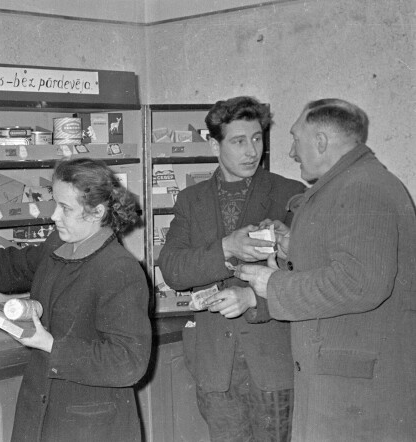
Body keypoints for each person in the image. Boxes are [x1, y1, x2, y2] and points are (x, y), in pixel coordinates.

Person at [0, 157, 152, 442]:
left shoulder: (119, 269)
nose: (54, 216)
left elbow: (128, 363)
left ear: (97, 212)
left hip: (90, 427)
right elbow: (1, 269)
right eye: (55, 204)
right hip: (39, 412)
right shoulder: (59, 244)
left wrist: (49, 344)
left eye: (65, 208)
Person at [237, 98, 416, 441]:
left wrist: (273, 284)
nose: (291, 151)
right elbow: (350, 260)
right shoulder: (350, 183)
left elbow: (361, 282)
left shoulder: (363, 187)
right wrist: (293, 245)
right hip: (344, 380)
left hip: (354, 389)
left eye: (295, 139)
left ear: (320, 141)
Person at [158, 96, 305, 441]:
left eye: (257, 138)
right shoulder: (191, 200)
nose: (252, 150)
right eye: (239, 141)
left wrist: (253, 297)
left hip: (272, 360)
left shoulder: (290, 193)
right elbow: (173, 269)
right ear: (214, 143)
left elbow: (307, 276)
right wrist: (226, 247)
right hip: (214, 363)